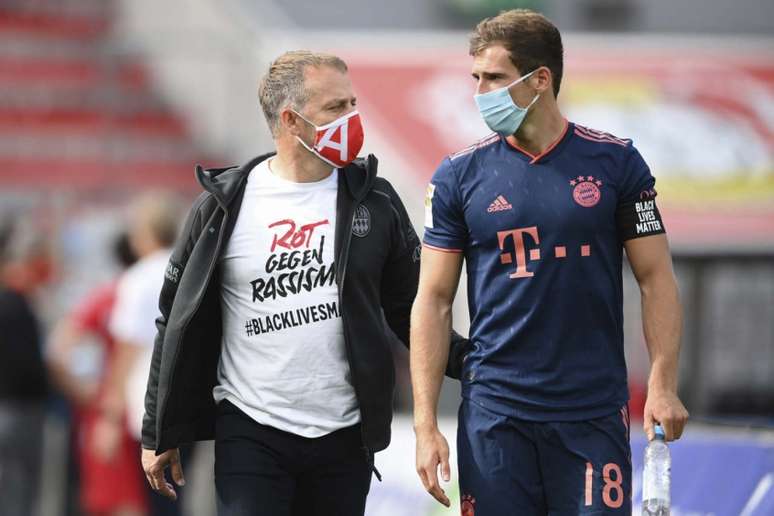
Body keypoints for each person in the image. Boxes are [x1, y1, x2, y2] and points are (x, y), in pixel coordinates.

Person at [139, 50, 469, 516]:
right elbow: (172, 318)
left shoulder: (375, 199)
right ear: (292, 120)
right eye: (336, 108)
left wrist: (472, 363)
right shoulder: (222, 206)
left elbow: (412, 310)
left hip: (345, 436)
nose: (352, 118)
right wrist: (157, 430)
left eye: (353, 103)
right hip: (251, 428)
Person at [410, 9, 689, 515]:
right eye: (475, 78)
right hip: (495, 412)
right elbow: (432, 300)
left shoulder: (617, 163)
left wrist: (663, 385)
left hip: (591, 412)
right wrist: (426, 423)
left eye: (493, 78)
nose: (480, 92)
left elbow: (656, 278)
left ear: (541, 79)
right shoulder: (457, 176)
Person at [48, 232, 148, 516]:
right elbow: (60, 347)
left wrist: (82, 390)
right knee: (126, 501)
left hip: (115, 411)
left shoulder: (111, 294)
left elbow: (58, 347)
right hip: (132, 411)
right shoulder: (136, 293)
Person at [101, 194, 186, 516]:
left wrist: (109, 415)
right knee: (181, 495)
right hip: (190, 401)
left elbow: (126, 350)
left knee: (156, 498)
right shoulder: (188, 268)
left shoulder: (137, 279)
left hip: (147, 406)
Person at [0, 220, 49, 516]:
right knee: (17, 491)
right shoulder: (13, 304)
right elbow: (27, 366)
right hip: (18, 411)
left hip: (14, 410)